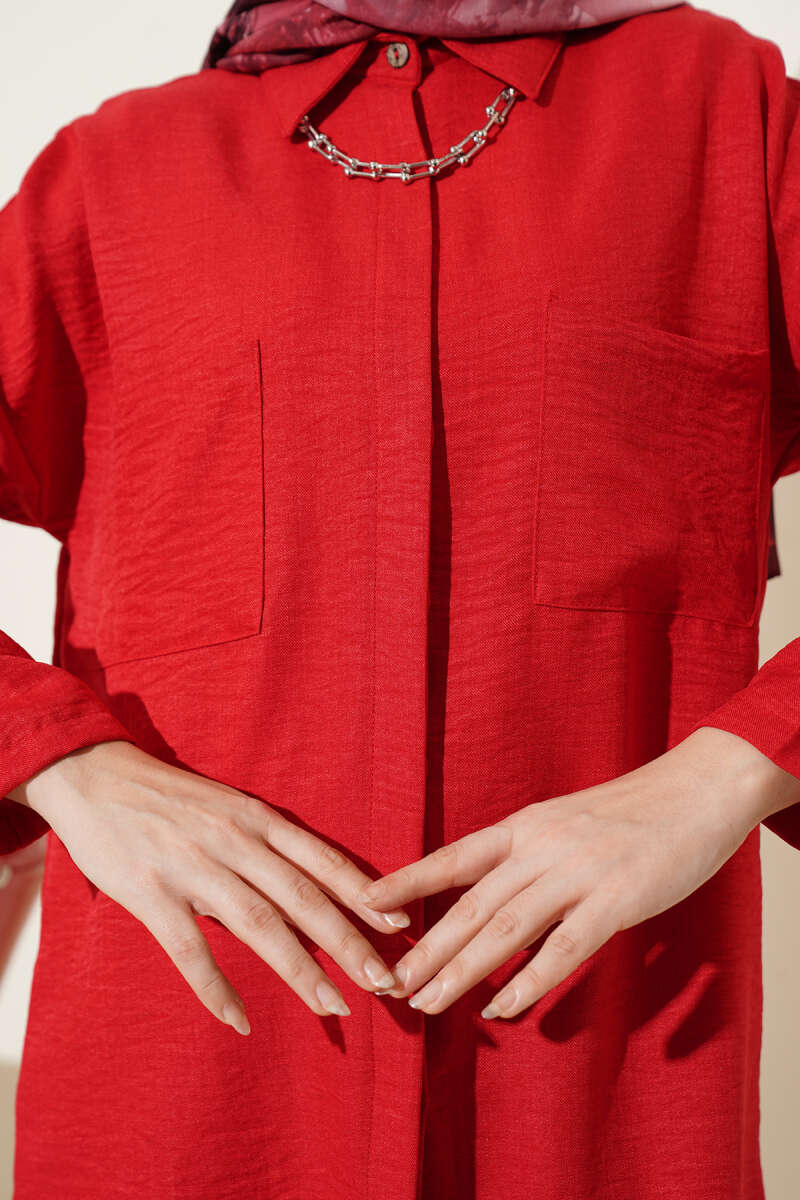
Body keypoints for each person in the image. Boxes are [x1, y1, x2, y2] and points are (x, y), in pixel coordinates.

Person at [2, 0, 800, 1196]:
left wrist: (730, 768)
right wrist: (62, 762)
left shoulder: (722, 113)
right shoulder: (109, 173)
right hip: (192, 1090)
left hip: (602, 1081)